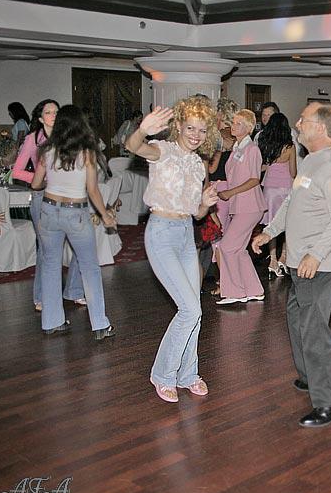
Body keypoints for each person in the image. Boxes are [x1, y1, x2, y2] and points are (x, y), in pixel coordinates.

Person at [251, 102, 331, 428]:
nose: (297, 123)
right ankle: (310, 376)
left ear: (320, 128)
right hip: (299, 261)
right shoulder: (310, 160)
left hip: (318, 265)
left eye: (303, 120)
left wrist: (316, 254)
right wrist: (269, 232)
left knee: (314, 330)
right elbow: (292, 202)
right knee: (297, 319)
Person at [124, 98, 220, 403]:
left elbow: (196, 214)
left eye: (201, 130)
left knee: (196, 309)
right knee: (189, 309)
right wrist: (143, 130)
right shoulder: (162, 151)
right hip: (161, 232)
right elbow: (132, 146)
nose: (196, 135)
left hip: (185, 233)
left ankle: (188, 374)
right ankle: (163, 375)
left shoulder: (198, 164)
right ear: (178, 125)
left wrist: (205, 204)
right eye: (190, 128)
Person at [30, 105, 116, 339]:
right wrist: (105, 215)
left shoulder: (47, 150)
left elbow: (35, 184)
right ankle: (100, 325)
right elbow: (93, 191)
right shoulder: (87, 153)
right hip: (75, 212)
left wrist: (52, 180)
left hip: (49, 210)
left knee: (50, 265)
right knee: (90, 267)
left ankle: (52, 322)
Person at [11, 99, 85, 312]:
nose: (53, 115)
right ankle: (42, 296)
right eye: (48, 112)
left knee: (80, 244)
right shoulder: (33, 139)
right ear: (41, 118)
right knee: (47, 249)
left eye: (56, 111)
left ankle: (74, 290)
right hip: (42, 197)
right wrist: (41, 179)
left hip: (69, 197)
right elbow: (17, 171)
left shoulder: (68, 138)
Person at [215, 109, 267, 305]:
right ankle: (254, 289)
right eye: (233, 122)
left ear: (248, 128)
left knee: (227, 247)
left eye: (238, 123)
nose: (233, 126)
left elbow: (254, 179)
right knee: (238, 250)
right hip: (242, 205)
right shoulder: (238, 148)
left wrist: (230, 192)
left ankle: (235, 292)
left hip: (250, 205)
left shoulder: (252, 149)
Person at [258, 112, 297, 277]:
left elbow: (261, 167)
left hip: (270, 188)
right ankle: (284, 257)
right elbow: (293, 171)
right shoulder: (290, 147)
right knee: (288, 223)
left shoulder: (265, 144)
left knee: (271, 224)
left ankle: (272, 259)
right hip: (286, 188)